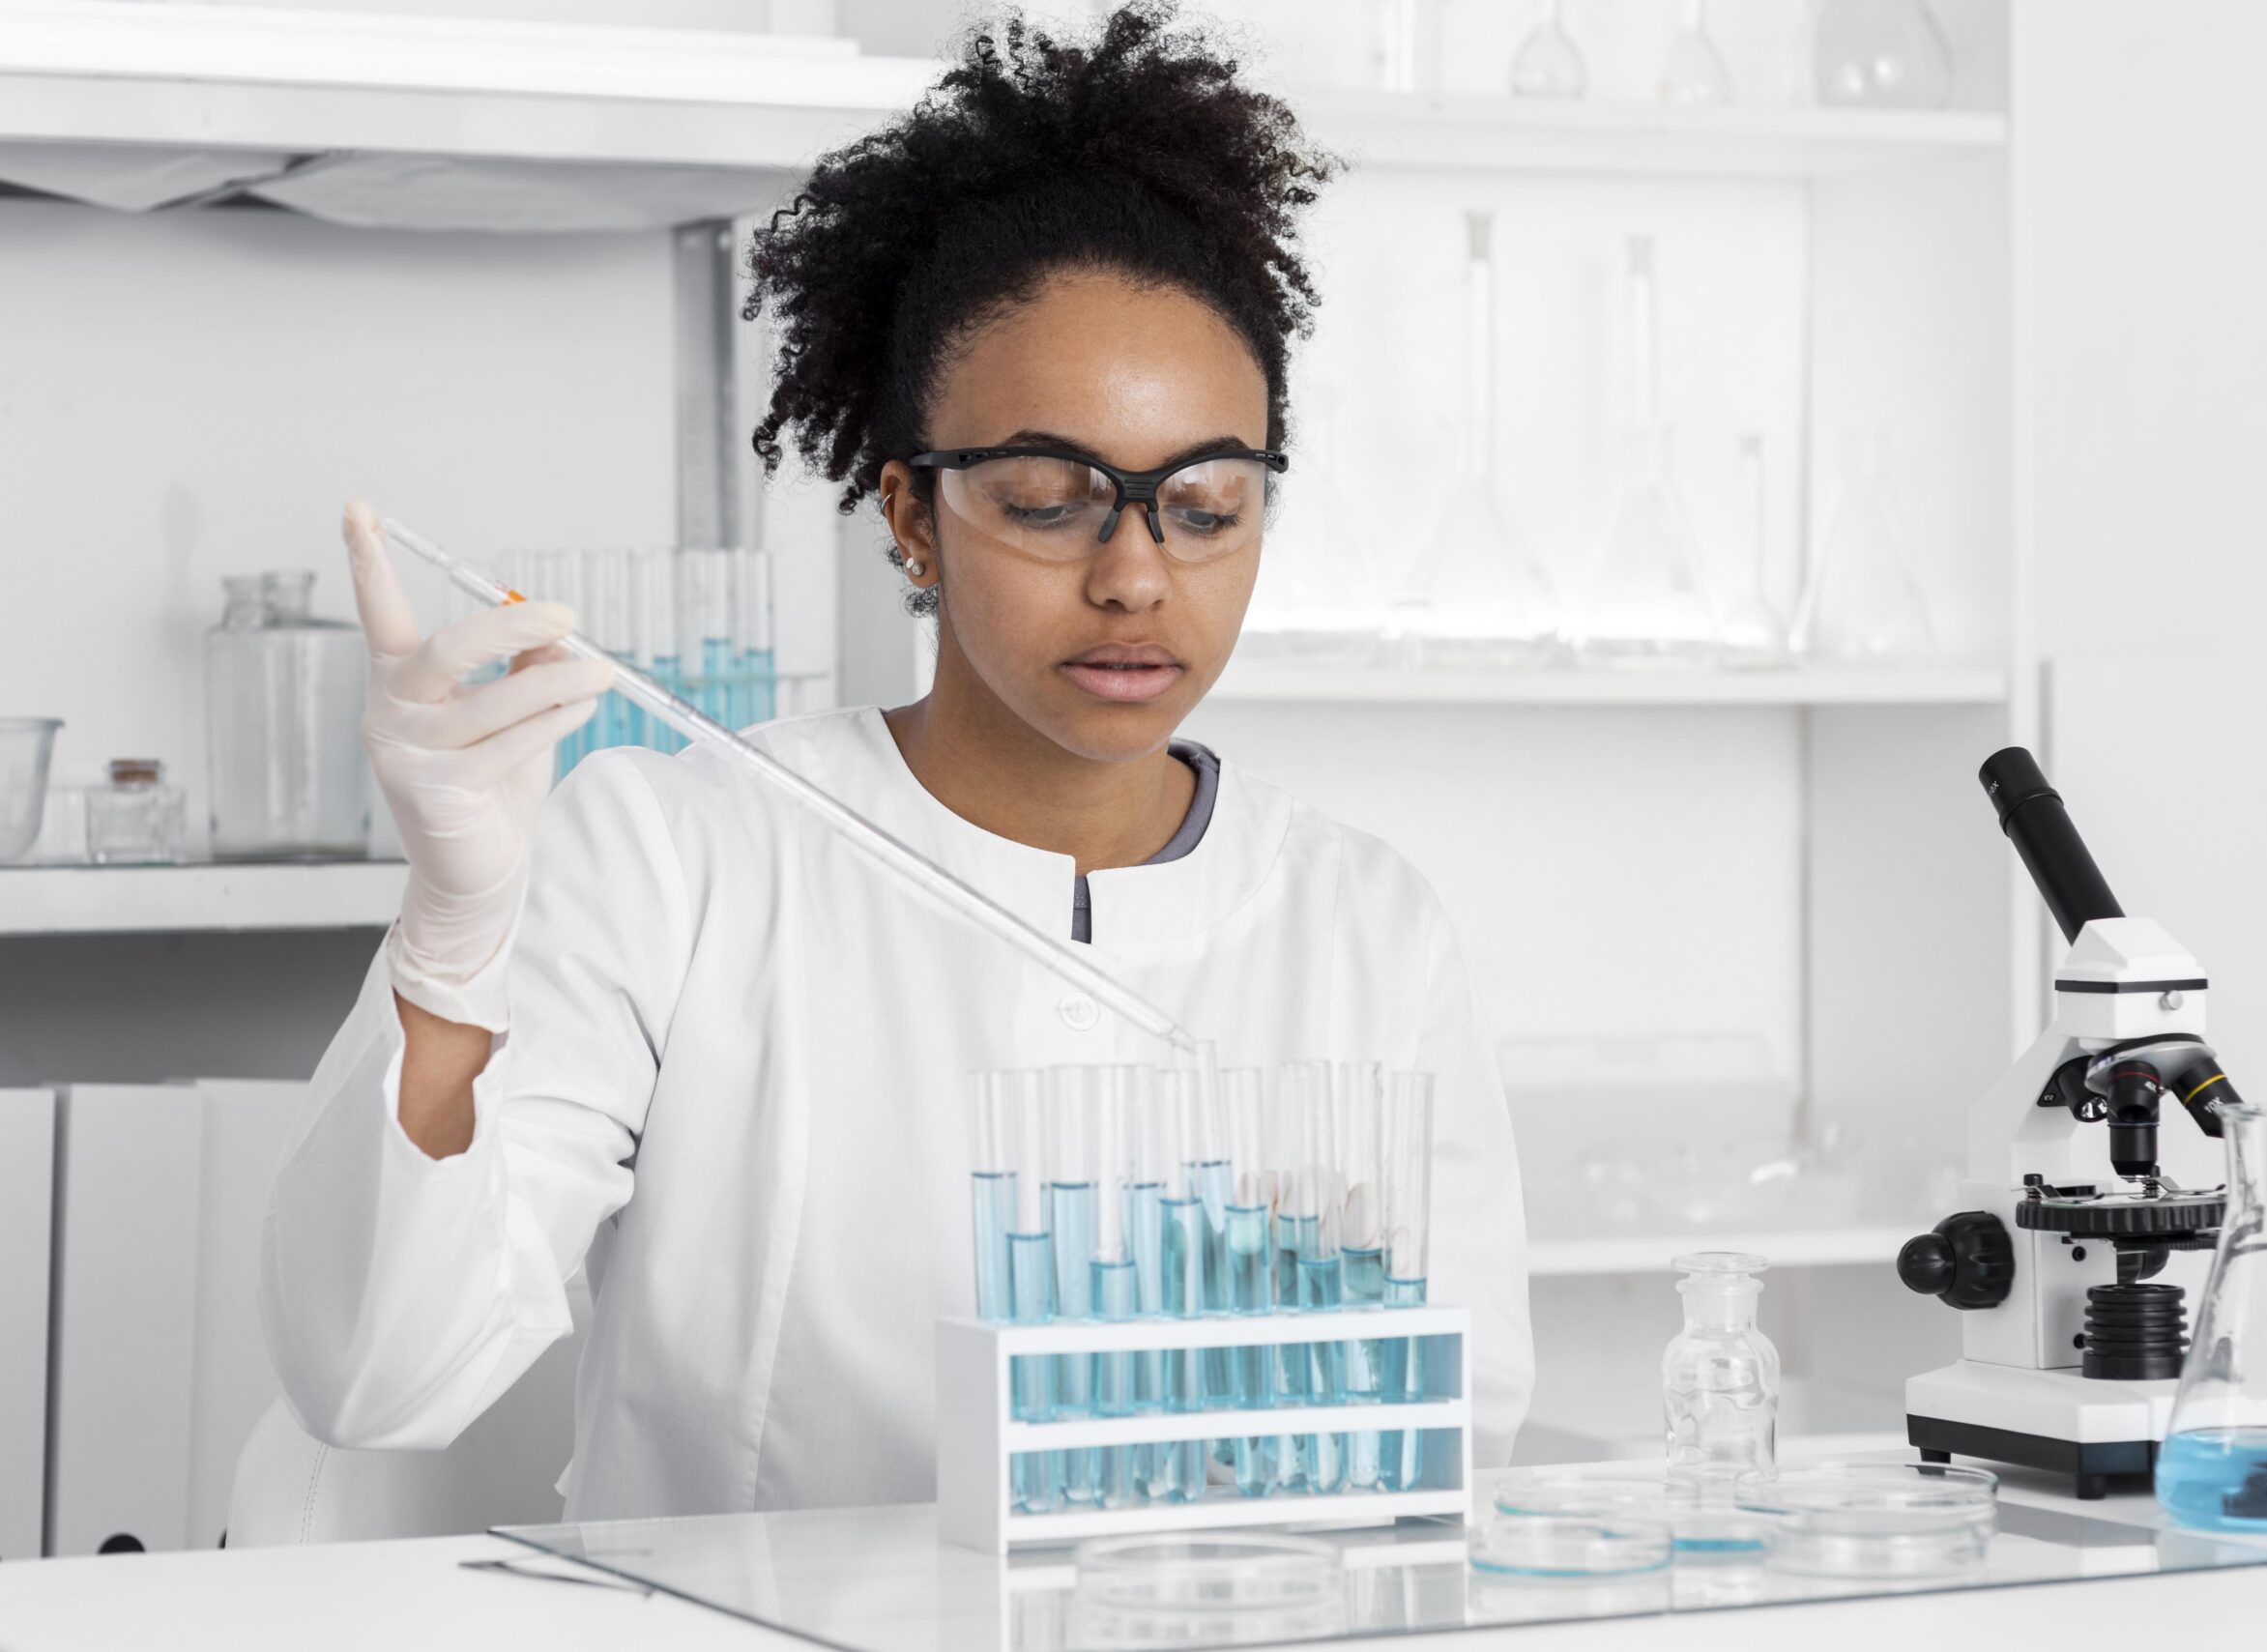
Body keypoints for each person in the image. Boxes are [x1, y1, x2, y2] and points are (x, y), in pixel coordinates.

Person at [262, 2, 1532, 1520]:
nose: (1136, 576)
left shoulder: (1364, 927)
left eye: (1203, 505)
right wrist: (451, 946)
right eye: (1053, 498)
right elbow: (381, 1371)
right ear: (913, 517)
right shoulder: (683, 856)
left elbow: (1449, 1446)